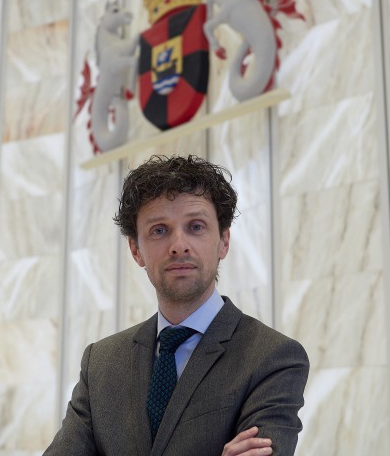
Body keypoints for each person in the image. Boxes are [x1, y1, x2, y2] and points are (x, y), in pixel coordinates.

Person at [44, 154, 309, 456]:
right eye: (159, 230)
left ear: (223, 241)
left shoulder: (273, 358)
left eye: (196, 227)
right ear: (136, 250)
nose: (179, 245)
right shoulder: (101, 364)